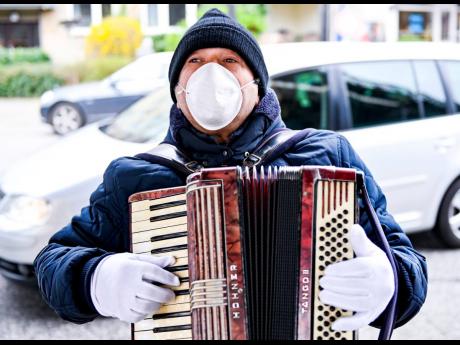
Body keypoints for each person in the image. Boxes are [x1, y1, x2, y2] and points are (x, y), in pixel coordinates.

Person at [34, 8, 427, 334]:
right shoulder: (135, 175)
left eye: (229, 61)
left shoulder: (328, 155)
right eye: (195, 62)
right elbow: (53, 260)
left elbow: (408, 264)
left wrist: (390, 284)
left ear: (256, 84)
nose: (211, 73)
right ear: (178, 89)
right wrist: (95, 279)